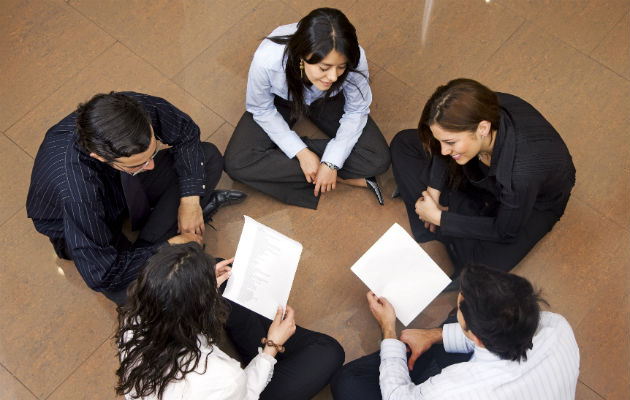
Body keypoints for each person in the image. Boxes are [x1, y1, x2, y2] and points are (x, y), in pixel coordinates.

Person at [26, 92, 246, 305]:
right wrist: (166, 247)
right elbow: (102, 274)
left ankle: (152, 249)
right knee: (126, 292)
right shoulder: (76, 192)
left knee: (207, 157)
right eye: (139, 163)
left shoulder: (132, 110)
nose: (150, 166)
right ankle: (156, 247)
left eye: (153, 153)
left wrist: (189, 199)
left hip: (121, 184)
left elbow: (185, 133)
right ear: (100, 157)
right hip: (77, 222)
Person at [390, 79, 575, 274]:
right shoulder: (479, 107)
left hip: (532, 203)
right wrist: (433, 190)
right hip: (480, 171)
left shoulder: (521, 174)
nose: (444, 151)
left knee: (478, 267)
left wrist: (439, 217)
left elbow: (504, 231)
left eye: (450, 142)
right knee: (404, 144)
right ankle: (452, 220)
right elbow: (442, 151)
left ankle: (445, 221)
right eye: (440, 141)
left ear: (483, 129)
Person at [115, 242, 345, 400]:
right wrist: (271, 348)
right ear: (199, 311)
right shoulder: (223, 377)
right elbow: (248, 391)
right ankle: (274, 341)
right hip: (241, 391)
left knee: (223, 271)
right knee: (329, 351)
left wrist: (203, 286)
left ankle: (269, 338)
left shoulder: (134, 321)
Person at [331, 264, 580, 399]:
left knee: (348, 383)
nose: (458, 308)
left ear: (477, 337)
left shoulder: (454, 390)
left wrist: (388, 328)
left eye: (460, 308)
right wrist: (434, 335)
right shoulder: (558, 327)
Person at [224, 7, 391, 209]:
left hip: (329, 99)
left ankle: (299, 163)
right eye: (324, 68)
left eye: (341, 67)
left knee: (378, 158)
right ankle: (341, 177)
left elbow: (357, 111)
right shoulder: (267, 59)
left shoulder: (354, 57)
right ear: (303, 56)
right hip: (283, 101)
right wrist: (301, 152)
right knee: (236, 162)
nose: (334, 77)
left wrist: (330, 162)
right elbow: (261, 109)